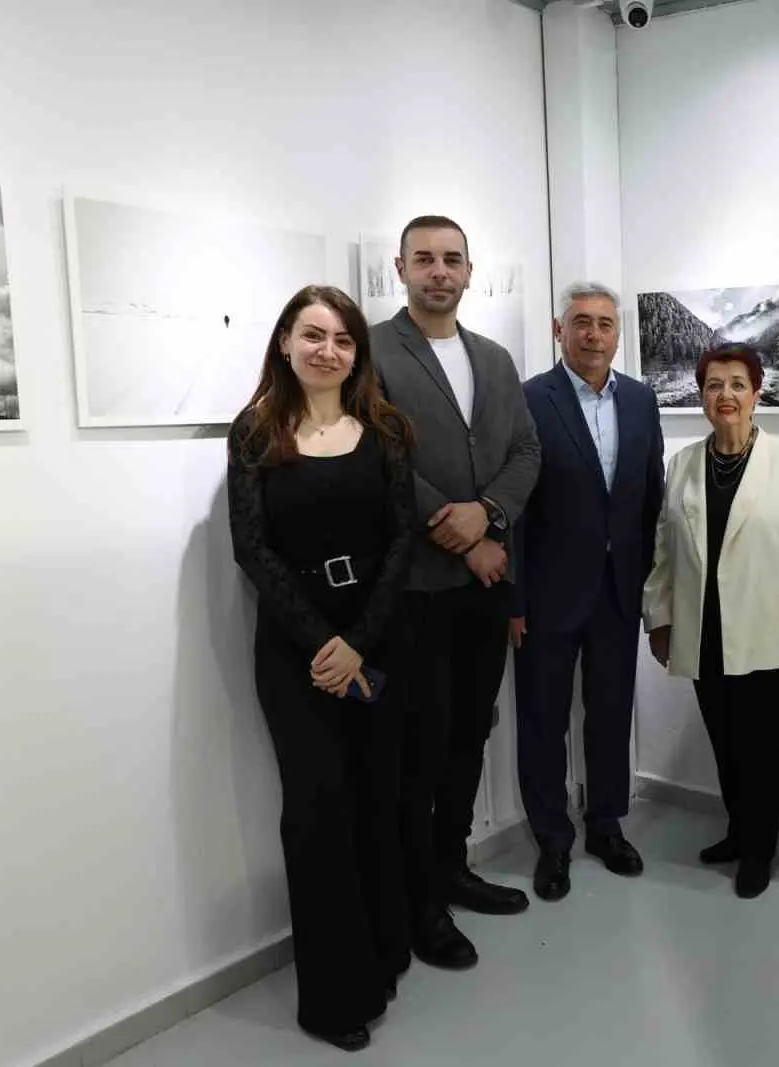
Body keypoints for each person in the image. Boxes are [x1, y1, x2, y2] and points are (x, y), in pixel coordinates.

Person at [228, 285, 416, 1052]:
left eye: (342, 338)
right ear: (284, 342)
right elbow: (252, 548)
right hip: (295, 654)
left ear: (356, 352)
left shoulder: (386, 429)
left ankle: (383, 952)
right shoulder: (255, 431)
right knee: (316, 813)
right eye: (312, 335)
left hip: (377, 639)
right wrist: (322, 644)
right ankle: (334, 999)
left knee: (380, 795)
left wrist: (361, 642)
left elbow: (402, 537)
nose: (327, 350)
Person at [370, 216, 541, 971]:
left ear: (470, 271)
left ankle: (453, 865)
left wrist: (491, 515)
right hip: (419, 587)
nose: (439, 271)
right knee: (422, 743)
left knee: (471, 729)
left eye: (452, 260)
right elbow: (376, 452)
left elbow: (525, 450)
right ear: (400, 268)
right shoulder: (371, 350)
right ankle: (420, 900)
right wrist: (468, 533)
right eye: (424, 259)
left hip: (484, 586)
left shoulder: (496, 359)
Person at [642, 344, 779, 899]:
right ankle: (738, 831)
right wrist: (660, 617)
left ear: (757, 392)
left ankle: (759, 850)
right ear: (701, 397)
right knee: (724, 743)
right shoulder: (684, 464)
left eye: (737, 385)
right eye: (714, 385)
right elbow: (666, 548)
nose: (726, 396)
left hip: (770, 630)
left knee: (763, 748)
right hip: (704, 629)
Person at [512, 282, 664, 902]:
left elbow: (650, 494)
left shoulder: (640, 399)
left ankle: (606, 823)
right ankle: (552, 840)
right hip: (547, 594)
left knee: (610, 712)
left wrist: (648, 583)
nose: (593, 334)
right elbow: (515, 509)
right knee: (544, 720)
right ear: (559, 330)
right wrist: (514, 600)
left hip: (617, 590)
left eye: (604, 323)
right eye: (581, 322)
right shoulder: (529, 400)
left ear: (617, 333)